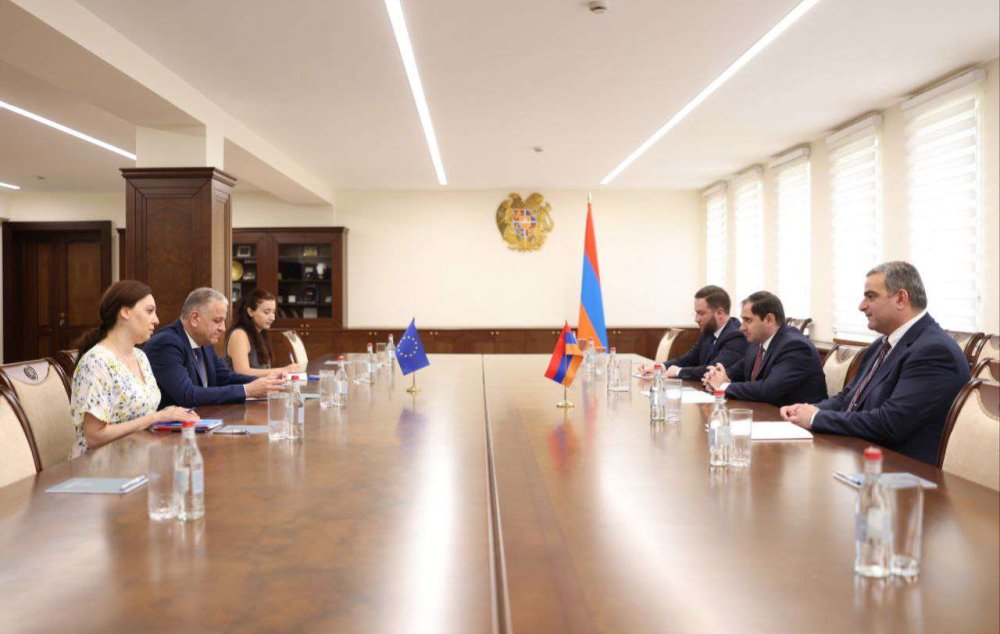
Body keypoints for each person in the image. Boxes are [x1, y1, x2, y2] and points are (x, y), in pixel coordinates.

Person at [781, 262, 970, 465]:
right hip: (862, 454)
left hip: (904, 471)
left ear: (901, 299)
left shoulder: (934, 351)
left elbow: (890, 424)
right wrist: (806, 410)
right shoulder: (882, 343)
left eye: (871, 296)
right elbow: (849, 398)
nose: (861, 306)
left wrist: (816, 418)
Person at [69, 280, 199, 457]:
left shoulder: (140, 357)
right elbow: (95, 437)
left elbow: (142, 417)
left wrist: (168, 415)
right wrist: (156, 417)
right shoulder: (96, 362)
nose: (156, 320)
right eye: (149, 311)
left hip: (139, 455)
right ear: (125, 312)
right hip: (101, 465)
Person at [145, 287, 284, 407]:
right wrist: (248, 390)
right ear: (195, 318)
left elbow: (225, 377)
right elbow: (187, 394)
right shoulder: (166, 343)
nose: (222, 328)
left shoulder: (205, 342)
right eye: (217, 321)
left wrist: (267, 383)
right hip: (171, 428)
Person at [703, 291, 827, 406]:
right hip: (766, 412)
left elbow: (768, 390)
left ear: (769, 320)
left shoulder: (795, 346)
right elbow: (735, 372)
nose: (742, 328)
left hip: (794, 419)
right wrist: (714, 376)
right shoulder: (758, 343)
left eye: (748, 320)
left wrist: (723, 386)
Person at [657, 285, 748, 379]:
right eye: (696, 313)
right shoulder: (708, 331)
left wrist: (678, 371)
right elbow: (688, 359)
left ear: (719, 313)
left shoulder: (737, 336)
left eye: (701, 313)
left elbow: (713, 370)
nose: (696, 319)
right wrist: (661, 367)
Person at [224, 289, 300, 377]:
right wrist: (283, 370)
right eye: (266, 312)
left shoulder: (260, 333)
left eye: (273, 312)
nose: (272, 318)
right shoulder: (239, 334)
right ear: (250, 312)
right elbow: (242, 372)